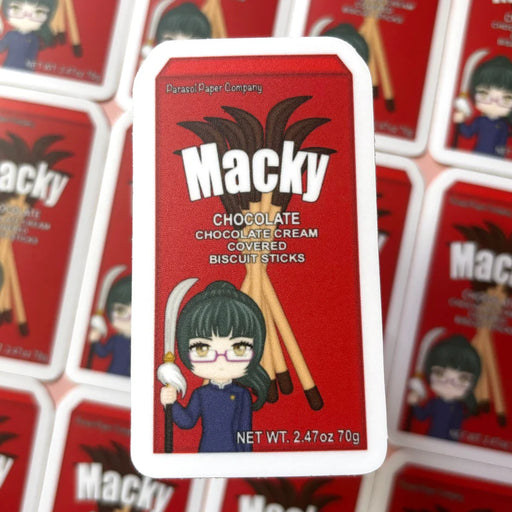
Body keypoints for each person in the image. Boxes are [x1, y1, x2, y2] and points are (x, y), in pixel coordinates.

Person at [160, 280, 270, 452]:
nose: (221, 361)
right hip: (206, 452)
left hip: (235, 454)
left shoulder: (242, 395)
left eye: (239, 348)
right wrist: (171, 404)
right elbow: (187, 421)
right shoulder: (201, 394)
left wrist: (247, 460)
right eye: (202, 349)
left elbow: (245, 432)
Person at [407, 334, 481, 441]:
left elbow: (456, 431)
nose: (449, 383)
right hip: (430, 441)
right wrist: (414, 404)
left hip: (449, 445)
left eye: (462, 379)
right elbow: (421, 416)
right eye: (440, 374)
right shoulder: (434, 403)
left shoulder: (460, 409)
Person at [453, 55, 512, 157]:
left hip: (495, 160)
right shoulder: (480, 121)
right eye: (484, 94)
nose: (494, 102)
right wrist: (460, 122)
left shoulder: (503, 126)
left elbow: (502, 145)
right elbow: (468, 133)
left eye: (506, 98)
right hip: (477, 155)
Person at [89, 275, 132, 377]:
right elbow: (102, 352)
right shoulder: (116, 339)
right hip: (112, 376)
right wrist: (95, 341)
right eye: (121, 311)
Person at [0, 0, 56, 70]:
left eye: (38, 12)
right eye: (16, 8)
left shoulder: (34, 39)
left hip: (25, 71)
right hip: (8, 67)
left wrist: (29, 70)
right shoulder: (10, 35)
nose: (26, 17)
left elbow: (32, 56)